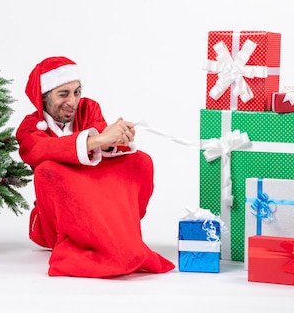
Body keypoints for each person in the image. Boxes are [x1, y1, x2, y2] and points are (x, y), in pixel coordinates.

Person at [16, 56, 175, 278]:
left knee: (139, 161)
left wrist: (116, 139)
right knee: (47, 170)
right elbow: (40, 150)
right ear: (43, 98)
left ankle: (119, 234)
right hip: (57, 220)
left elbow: (105, 141)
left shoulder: (88, 108)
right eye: (63, 94)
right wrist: (97, 140)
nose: (73, 101)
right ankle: (91, 248)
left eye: (77, 92)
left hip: (94, 195)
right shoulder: (29, 127)